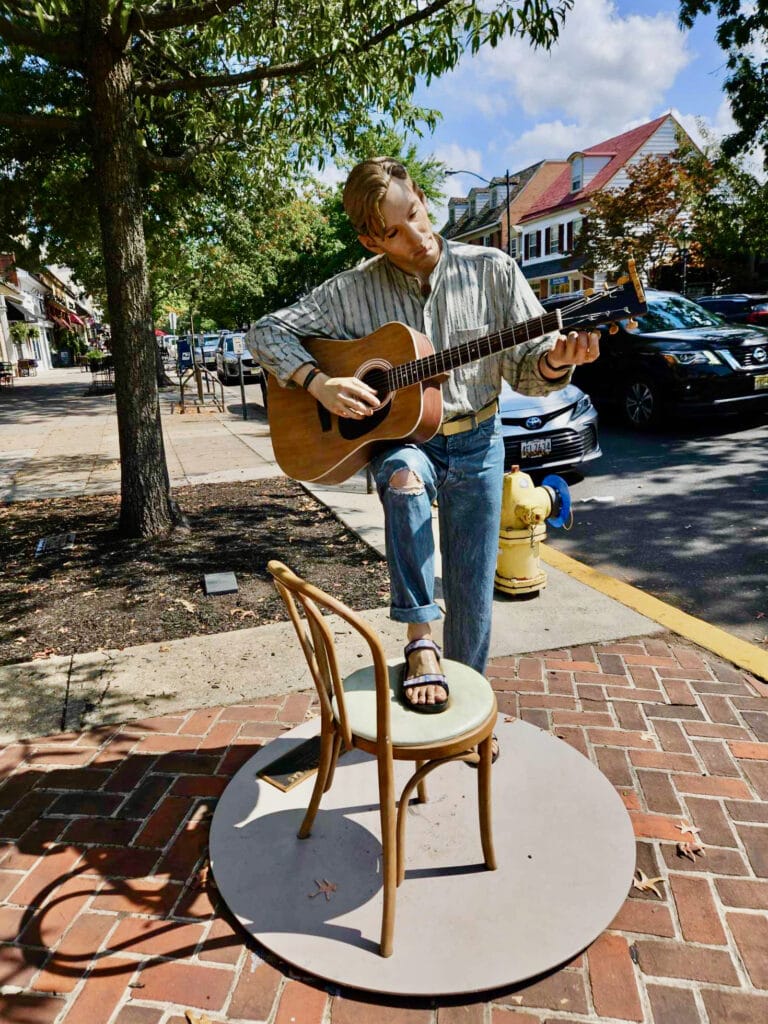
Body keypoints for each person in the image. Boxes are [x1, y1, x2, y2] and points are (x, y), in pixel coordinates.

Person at [252, 157, 599, 719]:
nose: (417, 237)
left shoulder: (493, 270)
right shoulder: (349, 292)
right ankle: (419, 642)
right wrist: (319, 383)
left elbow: (530, 369)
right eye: (394, 232)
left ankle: (469, 709)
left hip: (479, 440)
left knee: (472, 590)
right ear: (370, 238)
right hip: (408, 442)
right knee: (404, 480)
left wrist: (558, 362)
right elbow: (265, 332)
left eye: (416, 214)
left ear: (420, 196)